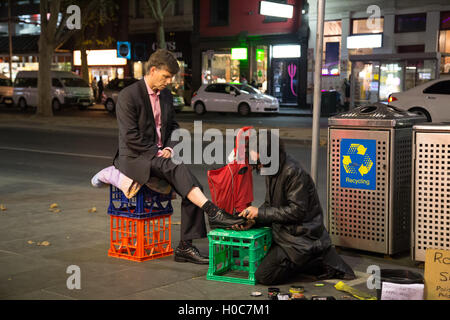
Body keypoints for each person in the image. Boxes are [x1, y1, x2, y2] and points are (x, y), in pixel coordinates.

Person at [112, 49, 248, 265]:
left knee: (191, 185)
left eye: (171, 77)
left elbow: (173, 127)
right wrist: (159, 152)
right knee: (177, 170)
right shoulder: (129, 95)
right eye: (166, 76)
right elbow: (130, 138)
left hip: (160, 156)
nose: (169, 81)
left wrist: (169, 148)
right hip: (134, 157)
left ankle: (185, 246)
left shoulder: (165, 94)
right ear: (153, 70)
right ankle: (213, 212)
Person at [235, 131, 356, 285]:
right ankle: (305, 261)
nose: (258, 166)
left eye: (259, 161)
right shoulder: (272, 168)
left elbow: (297, 211)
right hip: (285, 233)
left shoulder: (293, 172)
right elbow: (270, 204)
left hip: (301, 237)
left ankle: (314, 259)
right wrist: (254, 219)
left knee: (264, 276)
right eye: (255, 162)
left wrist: (260, 213)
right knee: (261, 266)